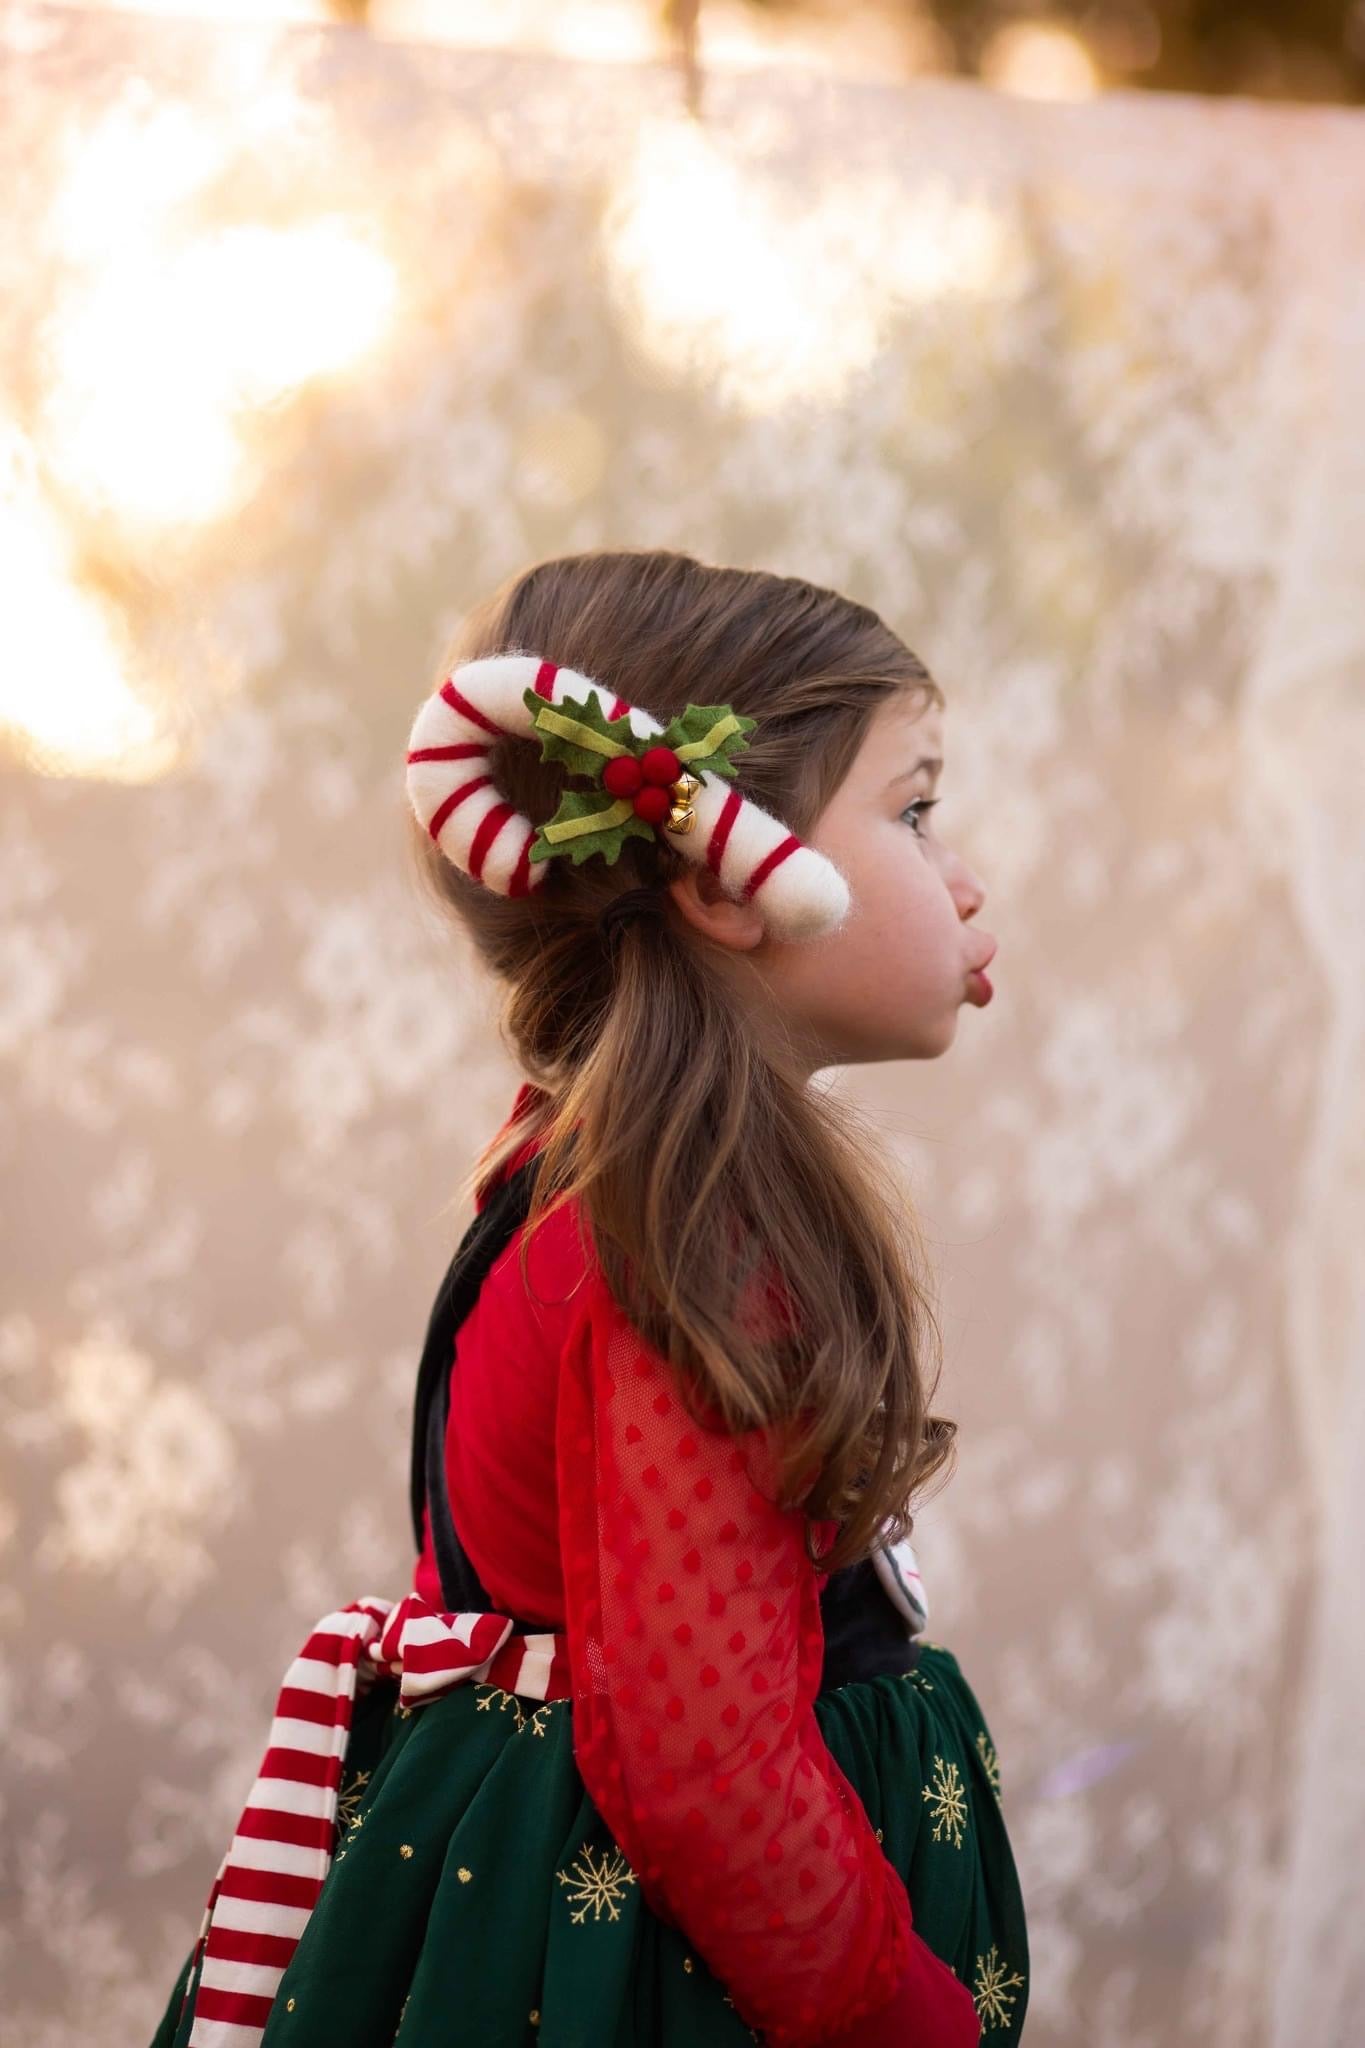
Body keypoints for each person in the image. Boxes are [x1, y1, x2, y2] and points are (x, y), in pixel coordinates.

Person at [150, 550, 1027, 2048]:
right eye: (915, 807)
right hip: (649, 1990)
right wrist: (905, 2024)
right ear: (722, 878)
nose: (963, 878)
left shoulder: (580, 1178)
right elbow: (703, 1763)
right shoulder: (689, 1245)